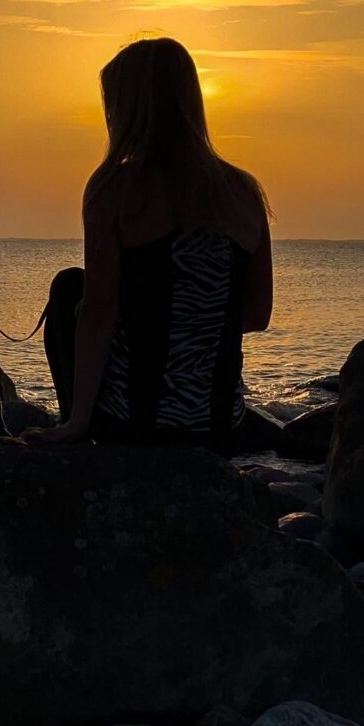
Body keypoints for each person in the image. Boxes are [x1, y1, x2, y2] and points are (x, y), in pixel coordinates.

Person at [38, 36, 272, 451]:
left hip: (136, 421)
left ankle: (76, 423)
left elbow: (98, 311)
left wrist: (79, 420)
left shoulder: (116, 189)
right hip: (219, 424)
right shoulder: (243, 192)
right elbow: (256, 314)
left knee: (70, 288)